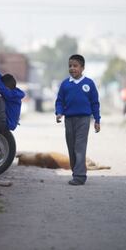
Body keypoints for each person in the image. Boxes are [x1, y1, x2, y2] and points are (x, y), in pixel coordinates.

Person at [55, 54, 101, 186]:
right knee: (71, 147)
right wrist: (59, 112)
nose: (72, 68)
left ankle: (80, 176)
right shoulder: (65, 84)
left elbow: (95, 103)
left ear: (82, 68)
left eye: (75, 66)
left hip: (84, 120)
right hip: (69, 120)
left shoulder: (89, 84)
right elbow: (59, 101)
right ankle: (76, 172)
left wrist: (97, 120)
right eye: (70, 66)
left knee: (79, 147)